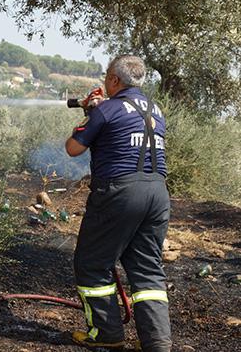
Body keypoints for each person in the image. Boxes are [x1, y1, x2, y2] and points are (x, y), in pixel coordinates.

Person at [65, 55, 171, 351]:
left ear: (114, 80)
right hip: (157, 194)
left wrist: (90, 113)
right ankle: (158, 344)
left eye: (106, 76)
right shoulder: (155, 109)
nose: (104, 81)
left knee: (92, 263)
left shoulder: (107, 109)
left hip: (119, 193)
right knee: (147, 269)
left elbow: (73, 148)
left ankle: (107, 333)